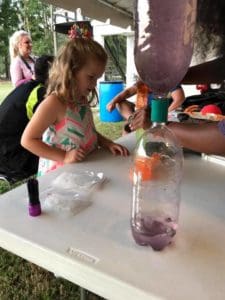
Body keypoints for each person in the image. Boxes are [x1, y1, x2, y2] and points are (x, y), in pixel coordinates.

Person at [21, 37, 129, 177]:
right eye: (91, 77)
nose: (94, 84)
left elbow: (90, 132)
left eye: (97, 78)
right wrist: (64, 156)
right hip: (59, 176)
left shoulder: (81, 100)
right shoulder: (54, 103)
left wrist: (107, 143)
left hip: (82, 170)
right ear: (71, 71)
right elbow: (28, 140)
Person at [0, 55, 54, 183]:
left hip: (6, 151)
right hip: (11, 159)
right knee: (57, 150)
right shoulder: (41, 93)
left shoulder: (28, 87)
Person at [107, 80, 185, 133]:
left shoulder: (169, 80)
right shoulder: (143, 81)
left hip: (157, 117)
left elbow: (179, 98)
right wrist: (113, 101)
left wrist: (161, 116)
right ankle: (133, 120)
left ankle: (137, 122)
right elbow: (128, 91)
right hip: (141, 113)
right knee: (119, 102)